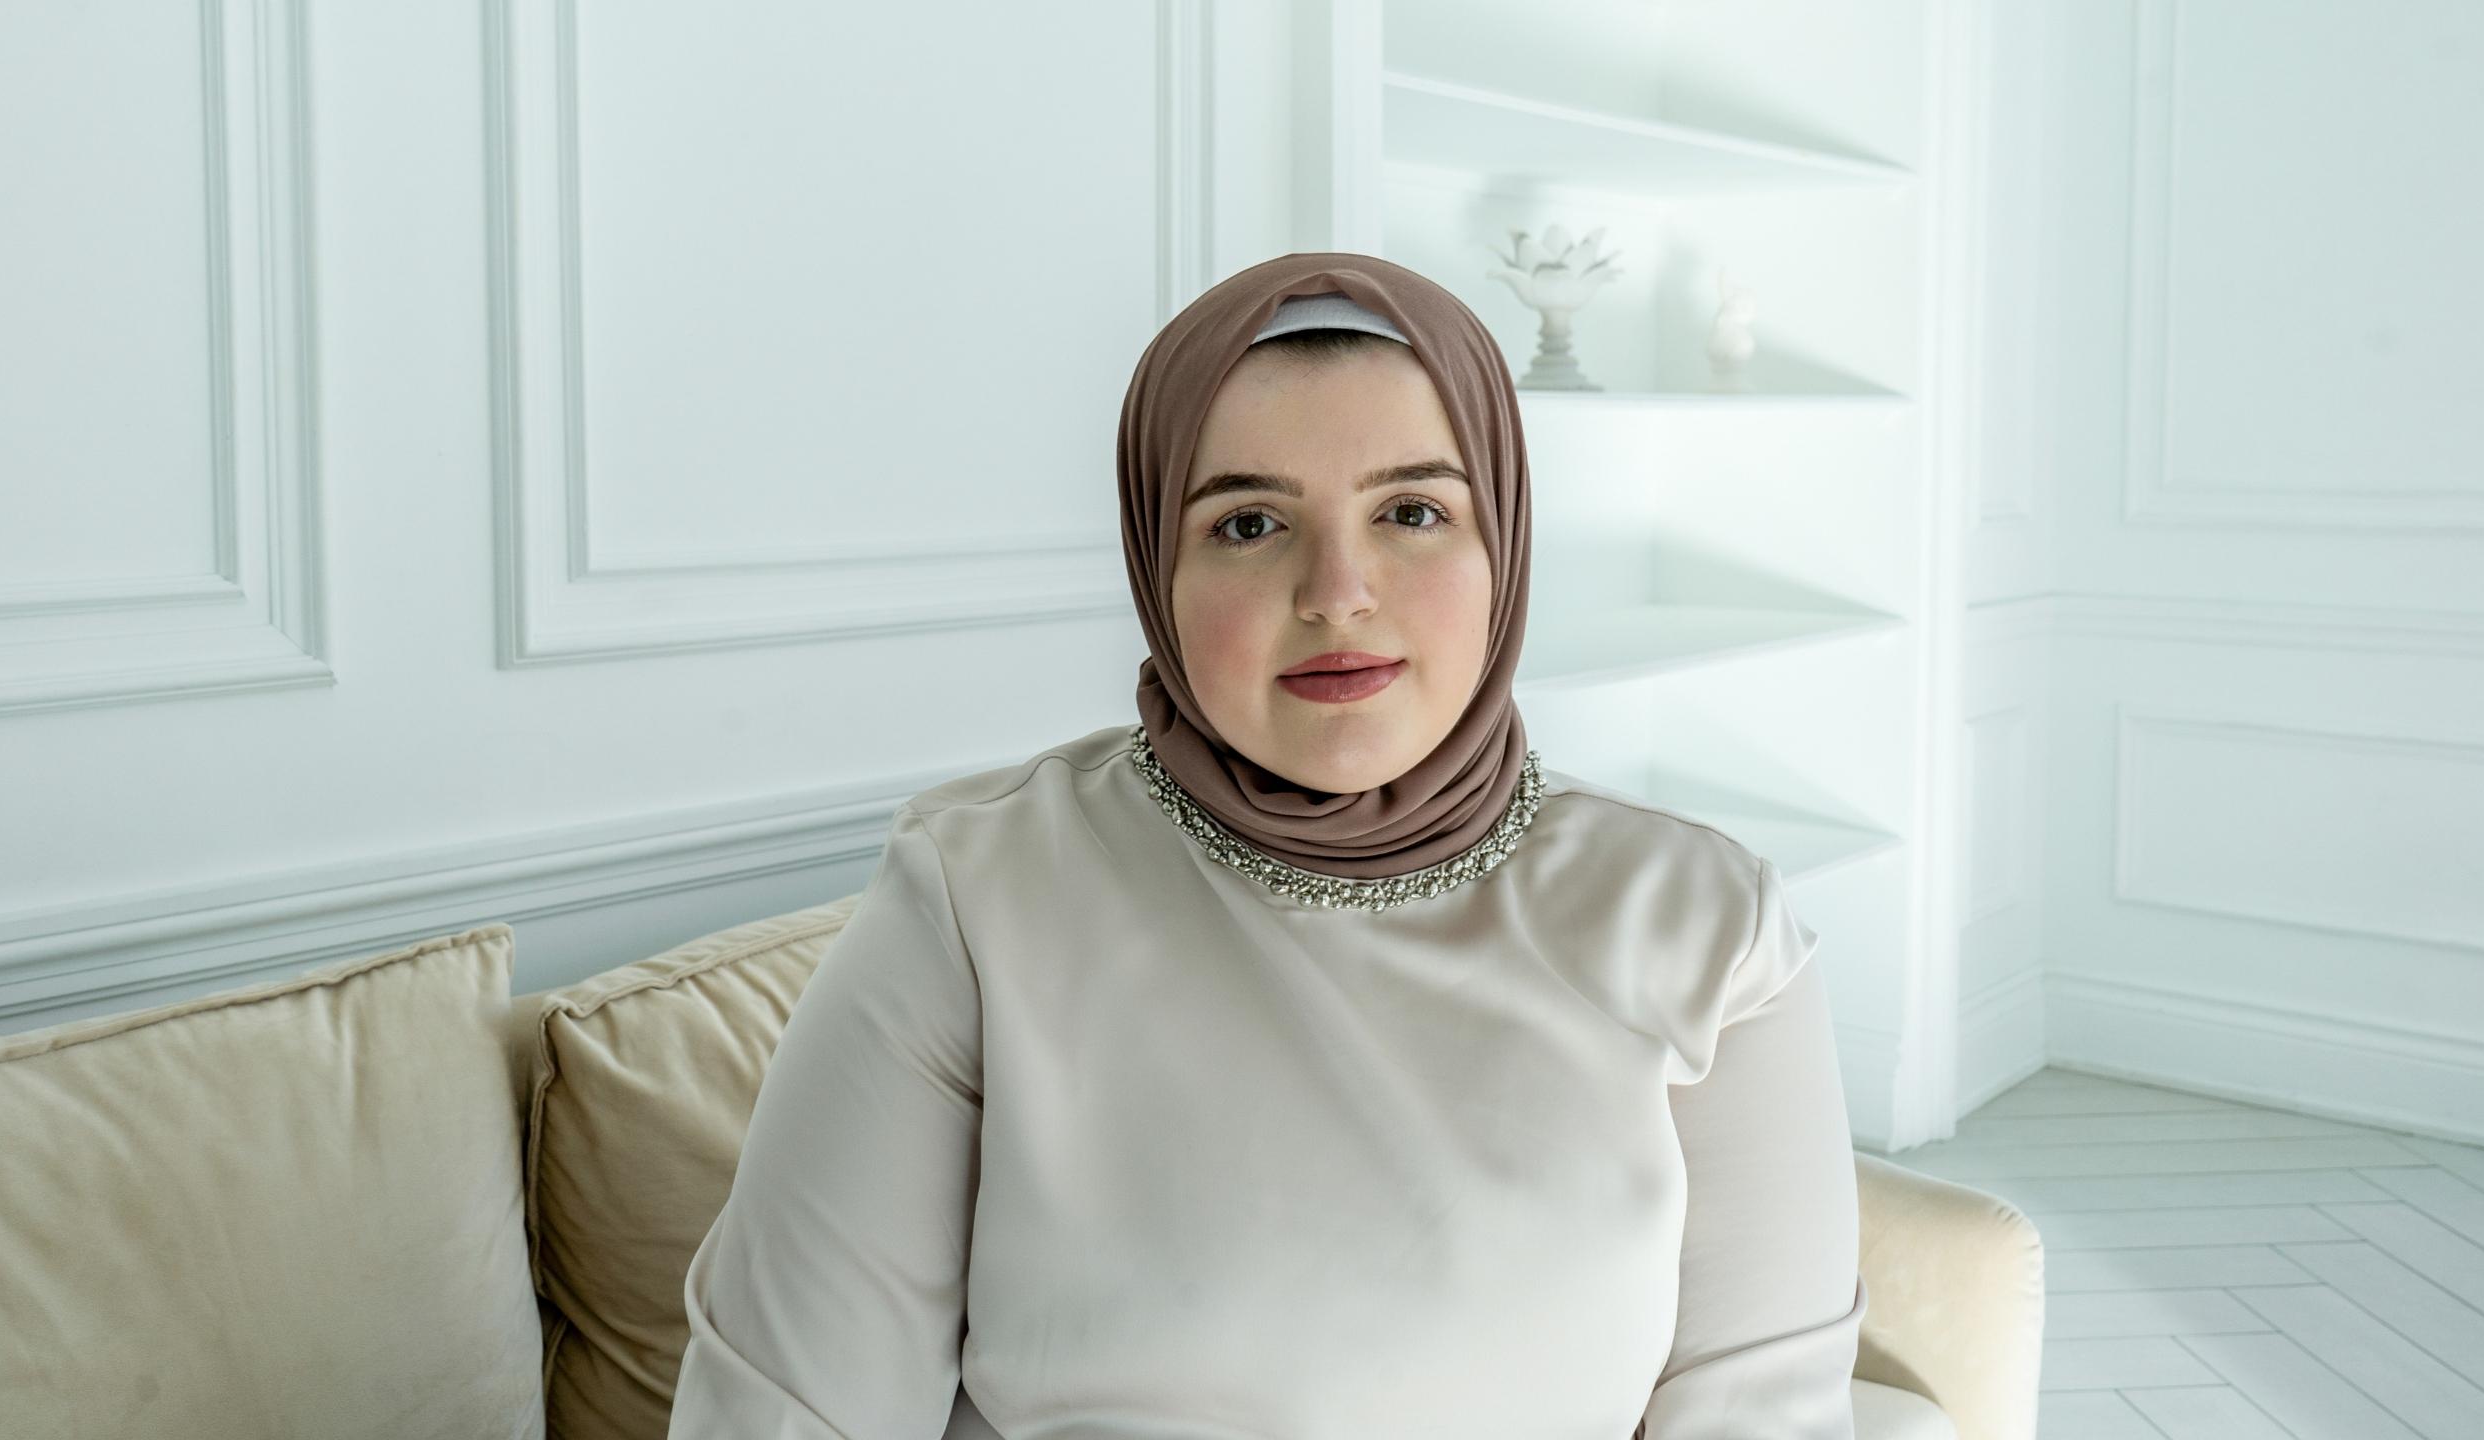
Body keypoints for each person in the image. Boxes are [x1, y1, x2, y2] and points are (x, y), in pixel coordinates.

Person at [665, 252, 1867, 1438]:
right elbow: (788, 1412)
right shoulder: (978, 890)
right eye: (1248, 523)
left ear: (1501, 539)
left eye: (1411, 511)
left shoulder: (1707, 925)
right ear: (1156, 564)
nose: (1337, 591)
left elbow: (1764, 1417)